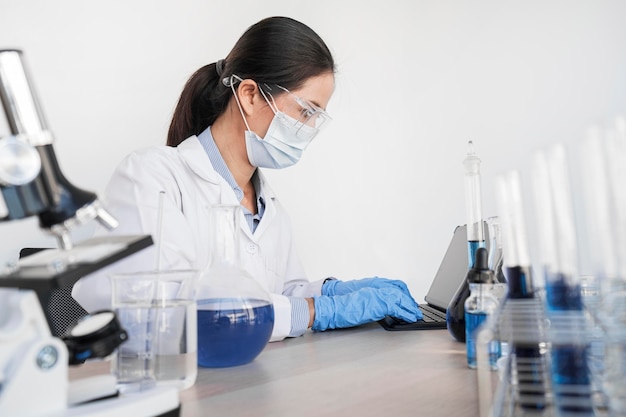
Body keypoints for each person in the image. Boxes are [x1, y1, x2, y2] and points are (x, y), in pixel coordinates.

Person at [73, 16, 422, 342]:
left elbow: (281, 300)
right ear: (250, 94)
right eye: (306, 111)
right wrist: (320, 311)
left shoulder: (270, 210)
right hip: (160, 388)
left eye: (317, 116)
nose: (310, 129)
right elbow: (167, 305)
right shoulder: (153, 176)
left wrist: (333, 292)